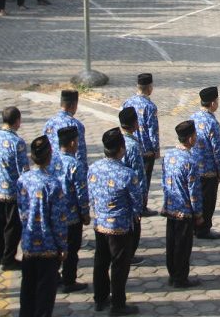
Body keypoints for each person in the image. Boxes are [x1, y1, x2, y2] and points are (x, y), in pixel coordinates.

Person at [88, 128, 143, 316]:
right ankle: (118, 304)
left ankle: (100, 298)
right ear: (121, 148)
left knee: (100, 262)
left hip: (100, 223)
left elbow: (91, 194)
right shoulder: (127, 174)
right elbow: (137, 202)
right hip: (120, 227)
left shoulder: (94, 168)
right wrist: (135, 216)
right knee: (119, 267)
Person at [17, 136, 66, 317]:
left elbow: (21, 211)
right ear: (49, 156)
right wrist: (62, 245)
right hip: (48, 247)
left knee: (28, 290)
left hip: (29, 244)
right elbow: (58, 220)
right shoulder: (52, 184)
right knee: (44, 296)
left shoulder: (23, 180)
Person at [161, 120, 203, 289]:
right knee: (183, 246)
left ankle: (172, 274)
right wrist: (198, 214)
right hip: (184, 210)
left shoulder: (169, 155)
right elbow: (194, 191)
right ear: (191, 138)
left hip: (170, 207)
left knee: (171, 243)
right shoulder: (190, 161)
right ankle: (180, 278)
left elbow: (164, 181)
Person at [0, 106, 29, 271]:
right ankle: (8, 258)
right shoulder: (17, 143)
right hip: (11, 192)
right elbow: (23, 170)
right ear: (17, 121)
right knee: (12, 226)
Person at [54, 126, 89, 293]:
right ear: (73, 142)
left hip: (54, 216)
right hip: (72, 216)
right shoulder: (75, 165)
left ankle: (54, 277)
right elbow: (81, 192)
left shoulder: (51, 161)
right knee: (71, 251)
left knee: (55, 248)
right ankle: (69, 280)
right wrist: (85, 213)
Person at [122, 73, 159, 217]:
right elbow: (152, 130)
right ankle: (142, 206)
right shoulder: (150, 106)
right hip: (145, 150)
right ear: (149, 88)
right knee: (144, 179)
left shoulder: (127, 102)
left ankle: (129, 202)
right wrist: (156, 149)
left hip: (128, 145)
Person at [191, 86, 220, 240]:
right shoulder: (212, 122)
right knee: (208, 201)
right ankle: (204, 229)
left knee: (196, 198)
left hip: (193, 166)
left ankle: (194, 226)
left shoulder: (193, 117)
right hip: (208, 169)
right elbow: (217, 148)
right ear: (212, 103)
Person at [118, 107, 146, 260]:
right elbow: (138, 173)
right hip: (130, 191)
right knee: (133, 226)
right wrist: (142, 196)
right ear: (135, 124)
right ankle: (129, 255)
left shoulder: (116, 139)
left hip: (117, 190)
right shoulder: (133, 145)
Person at [44, 90, 87, 169]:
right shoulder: (76, 125)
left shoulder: (48, 123)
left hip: (51, 168)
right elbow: (80, 154)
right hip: (69, 169)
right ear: (73, 105)